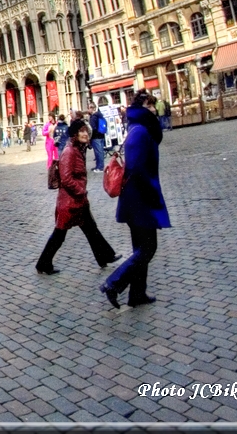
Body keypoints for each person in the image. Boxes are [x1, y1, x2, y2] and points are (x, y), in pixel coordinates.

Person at [102, 91, 171, 308]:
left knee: (141, 248)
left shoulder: (137, 128)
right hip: (141, 198)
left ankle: (137, 293)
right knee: (148, 248)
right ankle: (114, 283)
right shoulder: (141, 131)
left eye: (153, 105)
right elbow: (137, 168)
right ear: (142, 107)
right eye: (149, 105)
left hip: (136, 198)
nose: (153, 109)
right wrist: (151, 196)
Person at [35, 119, 120, 274]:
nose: (85, 134)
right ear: (74, 134)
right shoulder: (69, 151)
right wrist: (80, 190)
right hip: (70, 202)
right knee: (60, 234)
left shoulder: (78, 149)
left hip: (77, 200)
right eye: (81, 131)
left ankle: (105, 256)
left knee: (90, 228)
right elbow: (66, 178)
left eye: (86, 131)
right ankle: (43, 263)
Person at [88, 103, 107, 172]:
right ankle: (98, 166)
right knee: (101, 151)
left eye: (89, 108)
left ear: (92, 108)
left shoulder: (93, 117)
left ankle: (100, 167)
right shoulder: (100, 115)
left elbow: (92, 128)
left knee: (98, 152)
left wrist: (90, 137)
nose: (88, 110)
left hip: (95, 137)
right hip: (101, 135)